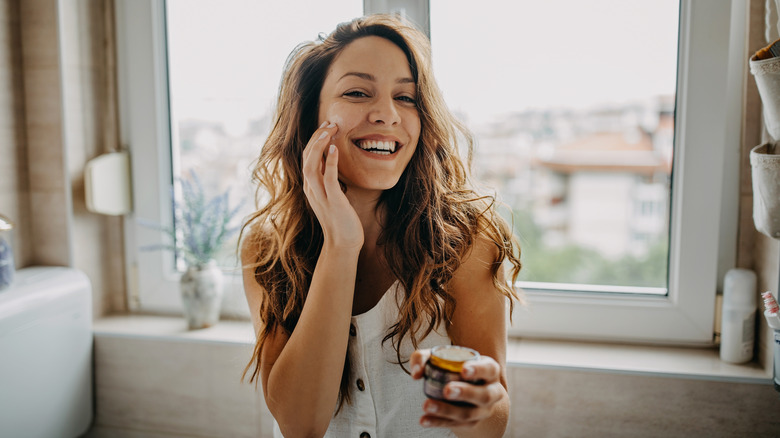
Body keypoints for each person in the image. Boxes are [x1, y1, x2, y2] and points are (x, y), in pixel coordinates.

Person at [240, 14, 522, 438]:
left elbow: (491, 423)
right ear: (310, 115)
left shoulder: (467, 239)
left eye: (406, 98)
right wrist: (340, 245)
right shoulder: (267, 249)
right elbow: (300, 425)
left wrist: (483, 400)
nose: (387, 114)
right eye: (357, 92)